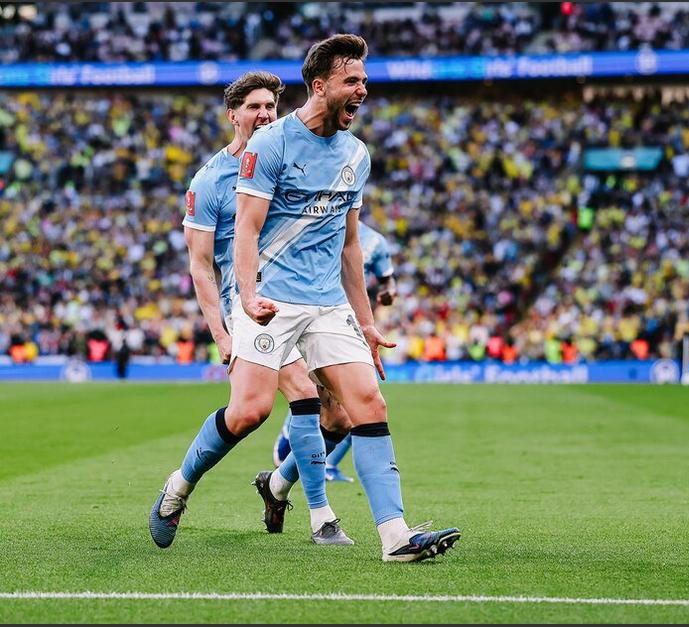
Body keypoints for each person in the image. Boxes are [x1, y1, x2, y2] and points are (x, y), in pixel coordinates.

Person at [231, 34, 459, 562]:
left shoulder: (357, 153)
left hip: (329, 303)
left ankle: (395, 536)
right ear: (320, 85)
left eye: (364, 80)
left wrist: (366, 320)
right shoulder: (271, 145)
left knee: (367, 405)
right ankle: (182, 484)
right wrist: (246, 295)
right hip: (273, 301)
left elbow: (350, 245)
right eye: (352, 81)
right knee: (247, 414)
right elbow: (246, 229)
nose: (363, 89)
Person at [149, 71, 353, 551]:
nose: (265, 115)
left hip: (307, 297)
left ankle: (278, 484)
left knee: (340, 417)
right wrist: (220, 333)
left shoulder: (290, 157)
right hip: (253, 306)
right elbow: (201, 267)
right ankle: (178, 489)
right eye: (255, 107)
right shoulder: (209, 181)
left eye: (271, 106)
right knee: (253, 412)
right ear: (233, 115)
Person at [270, 220, 397, 483]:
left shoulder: (374, 241)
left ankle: (317, 463)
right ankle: (290, 454)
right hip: (313, 317)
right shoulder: (316, 224)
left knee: (359, 401)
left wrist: (387, 293)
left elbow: (387, 280)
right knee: (317, 395)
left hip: (352, 323)